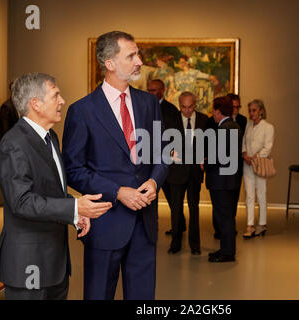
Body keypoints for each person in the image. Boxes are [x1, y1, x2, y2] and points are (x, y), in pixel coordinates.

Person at [62, 31, 168, 300]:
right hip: (105, 223)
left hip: (145, 225)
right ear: (109, 63)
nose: (139, 61)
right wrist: (118, 191)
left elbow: (163, 153)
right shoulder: (82, 111)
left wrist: (155, 181)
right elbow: (73, 169)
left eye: (138, 54)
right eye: (131, 55)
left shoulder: (149, 104)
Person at [0, 73, 112, 300]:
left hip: (55, 266)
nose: (62, 101)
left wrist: (74, 214)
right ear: (35, 104)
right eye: (55, 95)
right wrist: (74, 207)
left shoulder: (50, 138)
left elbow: (50, 192)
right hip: (30, 266)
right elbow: (22, 202)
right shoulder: (13, 144)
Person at [167, 92, 207, 255]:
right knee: (176, 209)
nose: (187, 110)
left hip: (195, 172)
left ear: (195, 105)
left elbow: (210, 143)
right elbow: (164, 141)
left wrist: (206, 157)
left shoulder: (204, 120)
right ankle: (175, 243)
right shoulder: (171, 120)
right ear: (179, 105)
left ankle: (195, 245)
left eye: (190, 107)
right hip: (176, 171)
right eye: (184, 107)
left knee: (194, 209)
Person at [205, 96, 241, 262]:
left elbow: (218, 157)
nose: (212, 113)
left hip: (221, 181)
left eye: (214, 110)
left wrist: (204, 163)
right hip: (229, 180)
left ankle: (227, 253)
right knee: (226, 217)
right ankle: (226, 249)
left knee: (224, 218)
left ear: (218, 111)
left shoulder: (223, 129)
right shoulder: (234, 126)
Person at [147, 79, 181, 236]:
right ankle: (152, 228)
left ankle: (179, 227)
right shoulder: (145, 107)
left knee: (173, 200)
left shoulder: (171, 110)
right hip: (148, 161)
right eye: (149, 90)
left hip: (167, 162)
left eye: (154, 90)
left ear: (162, 91)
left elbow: (175, 136)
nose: (151, 93)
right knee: (151, 198)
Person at [242, 99, 274, 238]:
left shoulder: (268, 127)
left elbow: (268, 147)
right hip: (247, 165)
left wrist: (254, 157)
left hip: (260, 164)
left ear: (261, 111)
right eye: (250, 110)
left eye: (254, 110)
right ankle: (250, 225)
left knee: (261, 193)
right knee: (249, 195)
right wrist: (244, 154)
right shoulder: (248, 125)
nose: (251, 113)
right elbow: (244, 142)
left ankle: (262, 224)